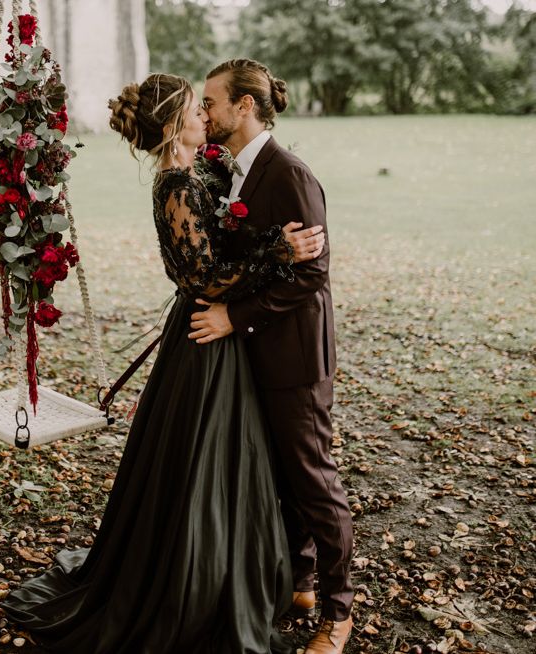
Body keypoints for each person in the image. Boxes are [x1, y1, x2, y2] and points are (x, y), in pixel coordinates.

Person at [0, 72, 326, 653]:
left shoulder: (206, 168)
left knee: (242, 460)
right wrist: (279, 250)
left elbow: (236, 221)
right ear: (178, 124)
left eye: (209, 105)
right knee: (202, 462)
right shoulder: (174, 186)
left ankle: (253, 571)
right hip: (204, 338)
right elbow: (202, 276)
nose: (207, 113)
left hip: (225, 333)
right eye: (197, 108)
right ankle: (197, 582)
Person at [190, 59, 354, 654]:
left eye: (211, 102)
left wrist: (234, 316)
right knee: (281, 477)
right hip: (254, 357)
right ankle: (302, 581)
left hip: (295, 358)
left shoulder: (288, 174)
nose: (203, 112)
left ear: (244, 107)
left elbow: (311, 277)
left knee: (313, 482)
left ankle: (338, 613)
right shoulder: (230, 172)